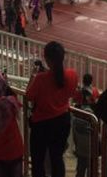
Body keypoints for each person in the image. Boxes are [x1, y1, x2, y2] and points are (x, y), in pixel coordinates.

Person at [25, 41, 78, 177]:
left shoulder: (40, 79)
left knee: (38, 161)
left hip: (41, 125)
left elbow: (29, 95)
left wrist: (33, 75)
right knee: (57, 158)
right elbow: (71, 93)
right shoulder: (72, 75)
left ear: (47, 59)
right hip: (62, 122)